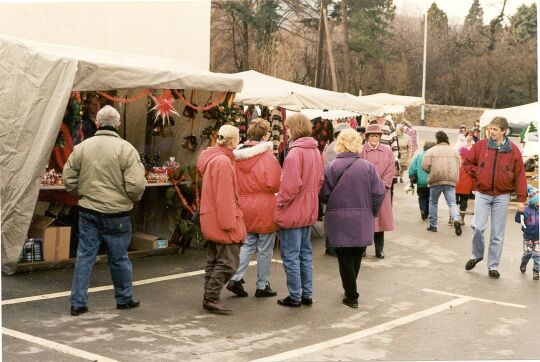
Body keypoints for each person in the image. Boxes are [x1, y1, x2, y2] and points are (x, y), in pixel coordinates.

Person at [63, 105, 146, 316]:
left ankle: (78, 303)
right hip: (117, 213)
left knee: (85, 257)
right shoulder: (126, 149)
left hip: (88, 210)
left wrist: (81, 193)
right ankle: (124, 298)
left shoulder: (82, 147)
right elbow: (136, 186)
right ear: (118, 124)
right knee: (119, 258)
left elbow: (68, 179)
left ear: (98, 123)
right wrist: (128, 198)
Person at [319, 129, 386, 308]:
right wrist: (373, 211)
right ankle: (350, 289)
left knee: (344, 257)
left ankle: (351, 293)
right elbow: (379, 193)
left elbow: (324, 193)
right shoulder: (368, 167)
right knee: (356, 254)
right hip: (362, 217)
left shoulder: (331, 167)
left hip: (338, 218)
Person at [463, 117, 527, 279]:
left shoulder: (513, 150)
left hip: (502, 195)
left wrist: (521, 199)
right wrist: (478, 173)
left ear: (504, 131)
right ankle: (476, 255)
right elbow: (467, 163)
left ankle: (493, 266)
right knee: (477, 226)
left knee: (497, 233)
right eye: (490, 128)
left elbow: (520, 175)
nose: (491, 132)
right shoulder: (481, 145)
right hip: (483, 194)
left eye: (495, 129)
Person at [226, 119, 281, 298]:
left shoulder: (237, 155)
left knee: (248, 243)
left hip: (244, 204)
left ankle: (235, 277)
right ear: (265, 135)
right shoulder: (267, 156)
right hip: (264, 205)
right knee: (265, 248)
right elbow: (274, 184)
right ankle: (262, 285)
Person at [274, 113, 324, 308]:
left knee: (291, 255)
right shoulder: (315, 150)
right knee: (305, 253)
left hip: (294, 210)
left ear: (294, 129)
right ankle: (306, 294)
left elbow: (290, 187)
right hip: (309, 209)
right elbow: (320, 180)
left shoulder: (295, 153)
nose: (286, 131)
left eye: (288, 128)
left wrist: (280, 202)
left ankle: (294, 295)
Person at [197, 125, 247, 314]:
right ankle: (211, 297)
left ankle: (209, 296)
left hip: (210, 216)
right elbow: (224, 197)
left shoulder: (215, 158)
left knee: (214, 260)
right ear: (233, 141)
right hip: (221, 219)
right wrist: (230, 224)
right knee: (227, 263)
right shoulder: (223, 162)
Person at [360, 124, 396, 259]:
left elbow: (391, 169)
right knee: (364, 221)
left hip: (382, 191)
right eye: (372, 135)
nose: (374, 138)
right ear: (367, 137)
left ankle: (379, 249)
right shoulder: (361, 150)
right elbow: (358, 168)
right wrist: (366, 186)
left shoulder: (387, 151)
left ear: (380, 137)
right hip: (365, 191)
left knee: (380, 222)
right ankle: (362, 248)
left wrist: (382, 185)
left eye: (376, 135)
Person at [422, 131, 462, 235]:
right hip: (451, 180)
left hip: (436, 180)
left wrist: (431, 171)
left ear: (437, 140)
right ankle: (457, 219)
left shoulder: (431, 151)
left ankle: (433, 225)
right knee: (452, 203)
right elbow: (460, 165)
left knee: (433, 202)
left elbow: (424, 166)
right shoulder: (455, 151)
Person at [516, 186, 539, 280]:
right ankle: (524, 263)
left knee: (537, 255)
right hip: (528, 237)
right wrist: (520, 213)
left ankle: (536, 271)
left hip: (538, 237)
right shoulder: (526, 209)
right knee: (527, 253)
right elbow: (518, 220)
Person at [408, 141, 436, 221]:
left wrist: (411, 177)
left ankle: (423, 210)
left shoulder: (419, 155)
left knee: (422, 197)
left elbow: (412, 167)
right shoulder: (434, 156)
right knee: (431, 198)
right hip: (432, 181)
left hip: (421, 182)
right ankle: (428, 212)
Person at [455, 130, 475, 225]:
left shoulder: (457, 163)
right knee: (464, 202)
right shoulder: (470, 164)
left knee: (454, 201)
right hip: (466, 184)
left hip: (457, 183)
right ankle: (462, 219)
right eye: (469, 135)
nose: (470, 137)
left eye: (472, 135)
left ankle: (453, 218)